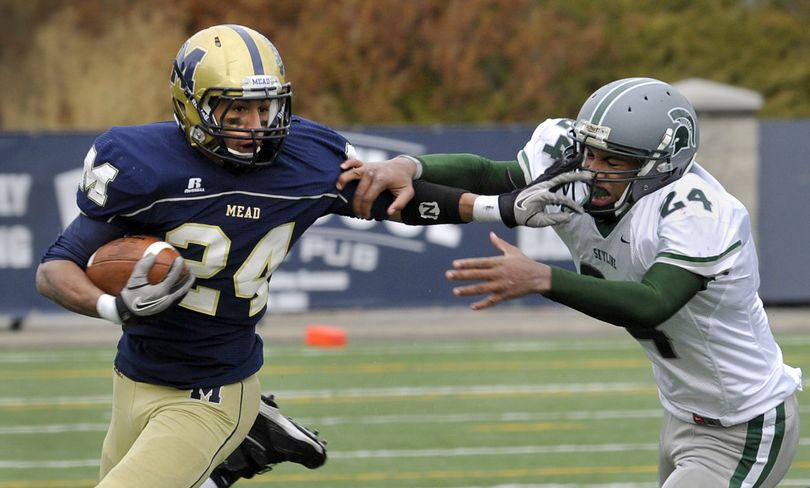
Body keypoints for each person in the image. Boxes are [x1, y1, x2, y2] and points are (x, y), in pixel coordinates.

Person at [337, 77, 802, 487]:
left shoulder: (698, 211)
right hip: (683, 410)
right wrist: (412, 167)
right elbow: (493, 175)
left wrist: (542, 277)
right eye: (590, 152)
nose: (592, 168)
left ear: (661, 166)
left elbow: (654, 302)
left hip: (743, 422)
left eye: (613, 160)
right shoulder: (577, 169)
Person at [35, 24, 403, 488]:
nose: (255, 126)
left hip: (215, 386)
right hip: (133, 375)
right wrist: (113, 306)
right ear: (193, 106)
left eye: (264, 108)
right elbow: (55, 268)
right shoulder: (144, 164)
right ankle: (245, 449)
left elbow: (407, 197)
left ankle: (240, 433)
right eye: (237, 109)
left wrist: (494, 205)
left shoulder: (310, 159)